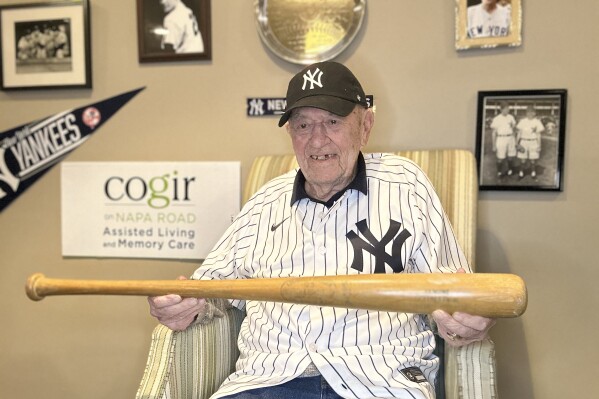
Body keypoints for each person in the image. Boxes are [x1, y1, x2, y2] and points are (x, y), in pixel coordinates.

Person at [148, 61, 495, 399]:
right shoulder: (263, 203)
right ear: (290, 133)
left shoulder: (406, 185)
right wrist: (182, 304)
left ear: (365, 125)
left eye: (332, 121)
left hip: (378, 382)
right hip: (267, 382)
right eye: (302, 126)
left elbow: (454, 293)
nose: (316, 140)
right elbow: (205, 292)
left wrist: (465, 319)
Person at [516, 105, 545, 179]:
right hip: (523, 141)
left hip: (533, 142)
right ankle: (521, 173)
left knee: (533, 159)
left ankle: (533, 173)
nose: (530, 113)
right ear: (526, 113)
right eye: (528, 112)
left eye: (532, 112)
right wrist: (516, 143)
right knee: (523, 160)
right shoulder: (522, 121)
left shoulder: (537, 122)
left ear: (534, 113)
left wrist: (539, 145)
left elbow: (539, 135)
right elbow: (519, 133)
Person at [491, 101, 517, 178]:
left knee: (511, 156)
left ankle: (510, 170)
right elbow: (493, 133)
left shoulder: (511, 117)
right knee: (500, 158)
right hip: (501, 138)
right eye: (505, 108)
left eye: (508, 108)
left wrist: (515, 141)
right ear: (501, 109)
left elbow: (514, 129)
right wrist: (494, 145)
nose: (507, 110)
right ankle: (499, 171)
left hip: (510, 138)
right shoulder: (496, 119)